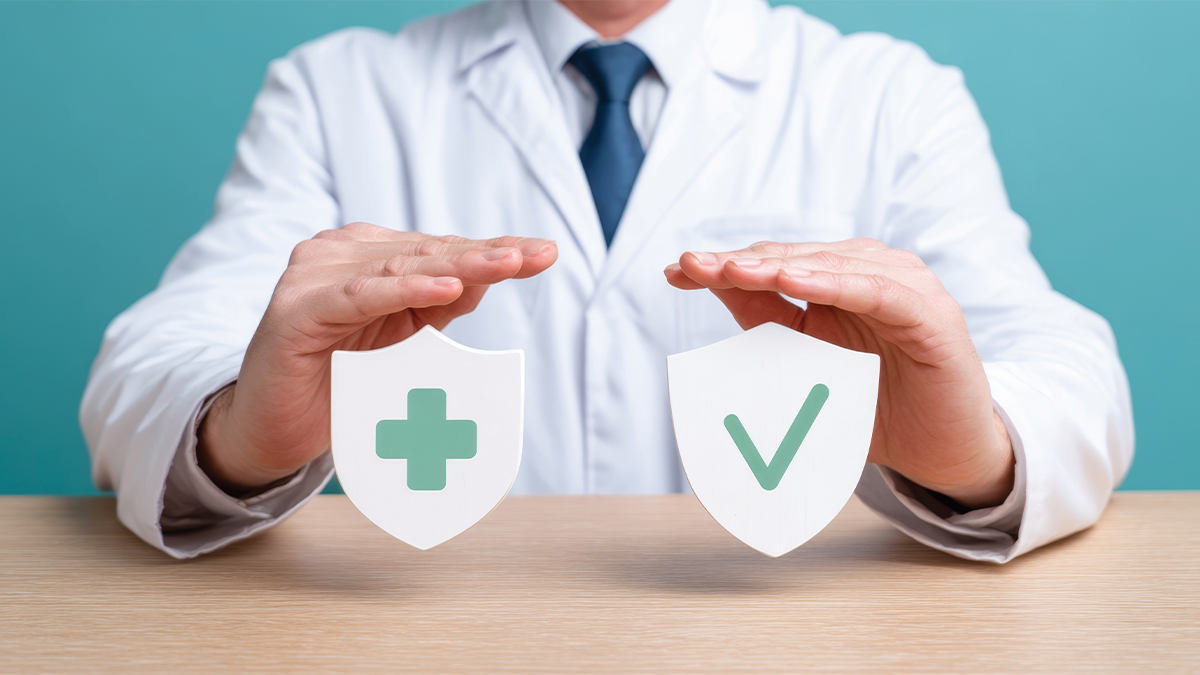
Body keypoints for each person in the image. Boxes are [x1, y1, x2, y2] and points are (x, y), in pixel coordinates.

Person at [81, 0, 1133, 561]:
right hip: (443, 637)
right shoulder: (340, 90)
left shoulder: (886, 94)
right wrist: (239, 432)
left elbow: (1062, 360)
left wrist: (973, 451)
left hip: (778, 635)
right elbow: (157, 351)